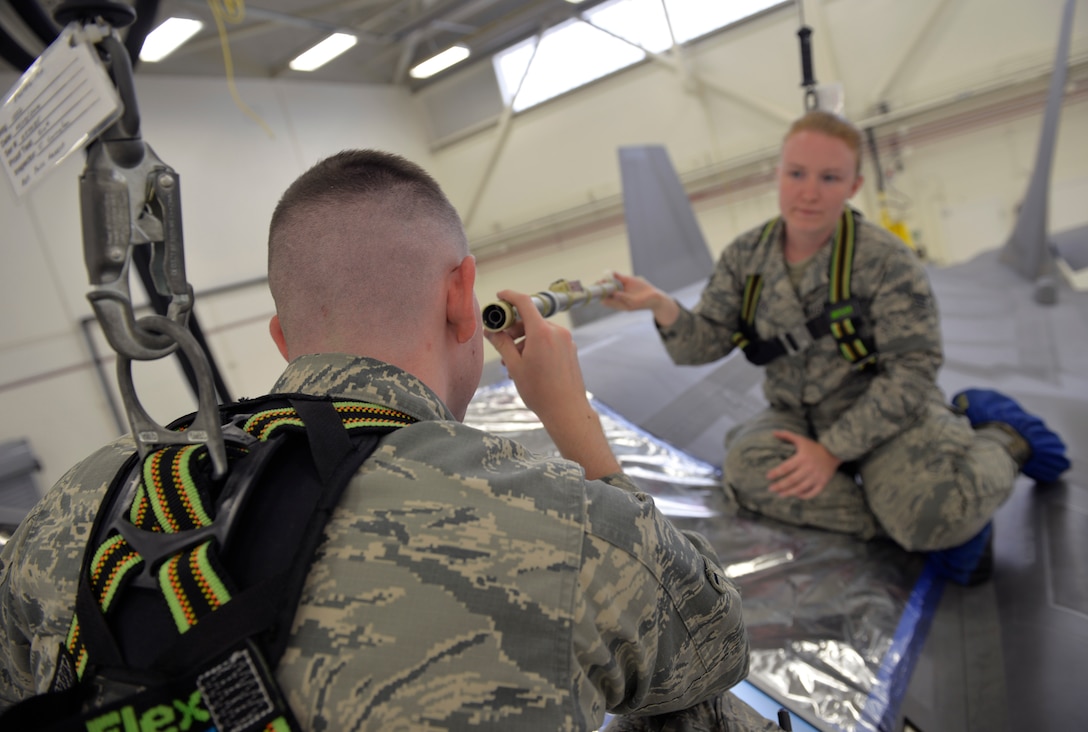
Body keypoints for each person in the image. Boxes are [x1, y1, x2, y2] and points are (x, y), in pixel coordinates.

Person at [0, 150, 781, 731]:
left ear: (282, 338)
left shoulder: (84, 495)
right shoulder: (558, 522)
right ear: (462, 296)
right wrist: (583, 441)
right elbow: (714, 646)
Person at [603, 110, 1070, 586]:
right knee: (748, 470)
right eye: (797, 173)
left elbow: (913, 371)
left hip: (885, 412)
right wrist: (661, 305)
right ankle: (902, 524)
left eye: (829, 178)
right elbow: (704, 343)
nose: (809, 192)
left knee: (933, 515)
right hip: (798, 413)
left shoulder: (885, 260)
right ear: (778, 174)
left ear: (853, 185)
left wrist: (830, 451)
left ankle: (1002, 438)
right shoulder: (747, 257)